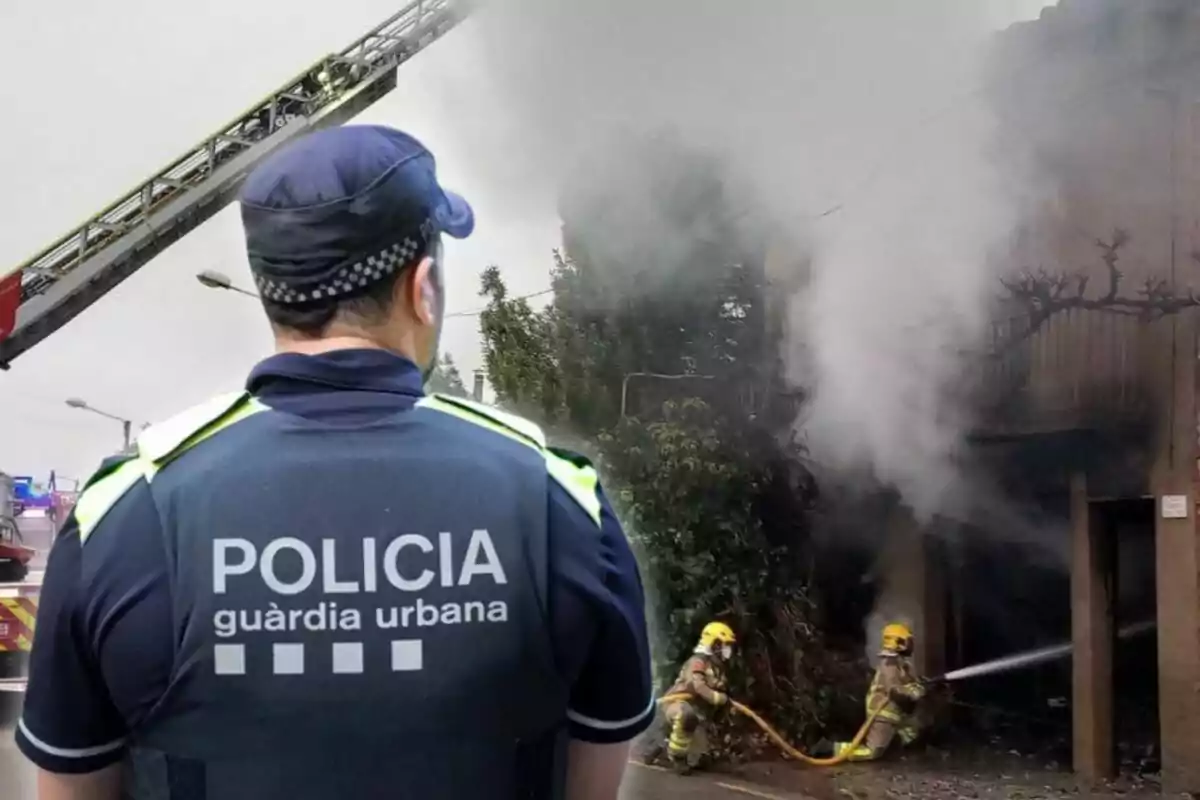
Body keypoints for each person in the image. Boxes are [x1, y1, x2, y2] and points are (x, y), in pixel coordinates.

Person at [16, 124, 655, 800]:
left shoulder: (124, 513)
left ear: (270, 293)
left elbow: (73, 784)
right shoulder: (560, 500)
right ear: (424, 287)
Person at [818, 622, 927, 762]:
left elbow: (910, 683)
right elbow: (894, 690)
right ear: (897, 642)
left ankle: (892, 747)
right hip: (883, 712)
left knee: (911, 731)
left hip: (897, 713)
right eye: (907, 641)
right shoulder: (890, 663)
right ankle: (829, 748)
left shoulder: (903, 664)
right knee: (872, 751)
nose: (911, 645)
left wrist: (919, 686)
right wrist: (912, 693)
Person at [654, 621, 736, 774]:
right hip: (677, 703)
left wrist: (724, 700)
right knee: (687, 716)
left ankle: (662, 747)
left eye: (728, 645)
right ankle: (678, 757)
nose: (727, 650)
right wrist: (717, 698)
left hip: (699, 709)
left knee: (705, 740)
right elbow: (697, 686)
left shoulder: (718, 667)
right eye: (724, 645)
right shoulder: (698, 662)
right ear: (714, 644)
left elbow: (720, 687)